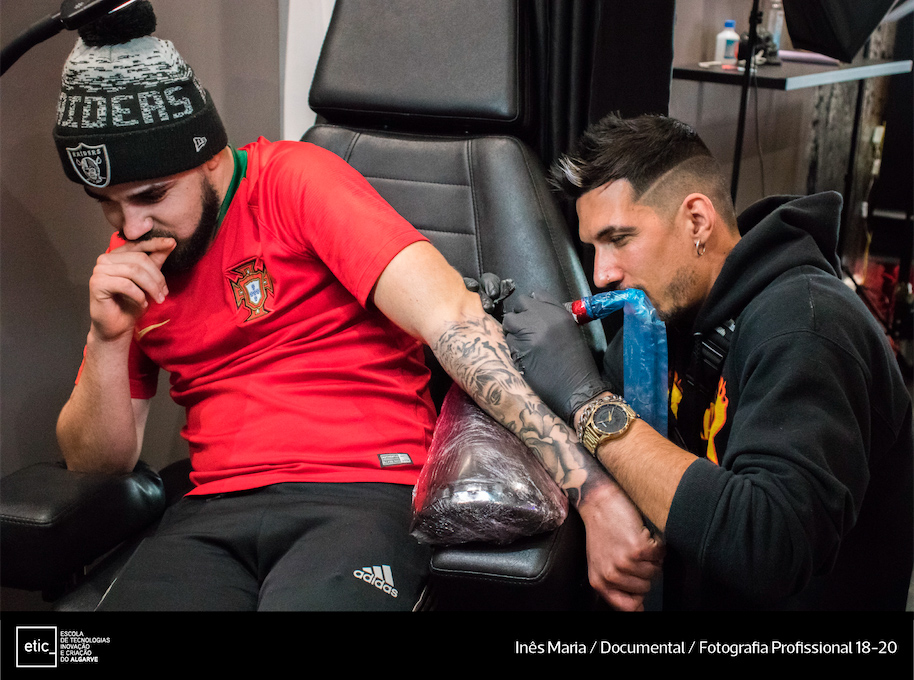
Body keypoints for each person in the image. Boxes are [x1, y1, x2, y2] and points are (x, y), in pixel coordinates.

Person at [51, 3, 662, 611]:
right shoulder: (128, 269)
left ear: (209, 155)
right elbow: (99, 462)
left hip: (359, 488)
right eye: (107, 203)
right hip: (212, 508)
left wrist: (595, 495)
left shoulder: (293, 181)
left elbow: (453, 321)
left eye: (153, 195)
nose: (131, 225)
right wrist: (107, 339)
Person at [503, 113, 913, 610]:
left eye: (619, 239)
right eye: (594, 247)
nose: (601, 274)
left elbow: (767, 547)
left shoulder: (809, 327)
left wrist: (587, 403)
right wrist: (597, 503)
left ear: (697, 221)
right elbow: (604, 426)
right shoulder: (669, 311)